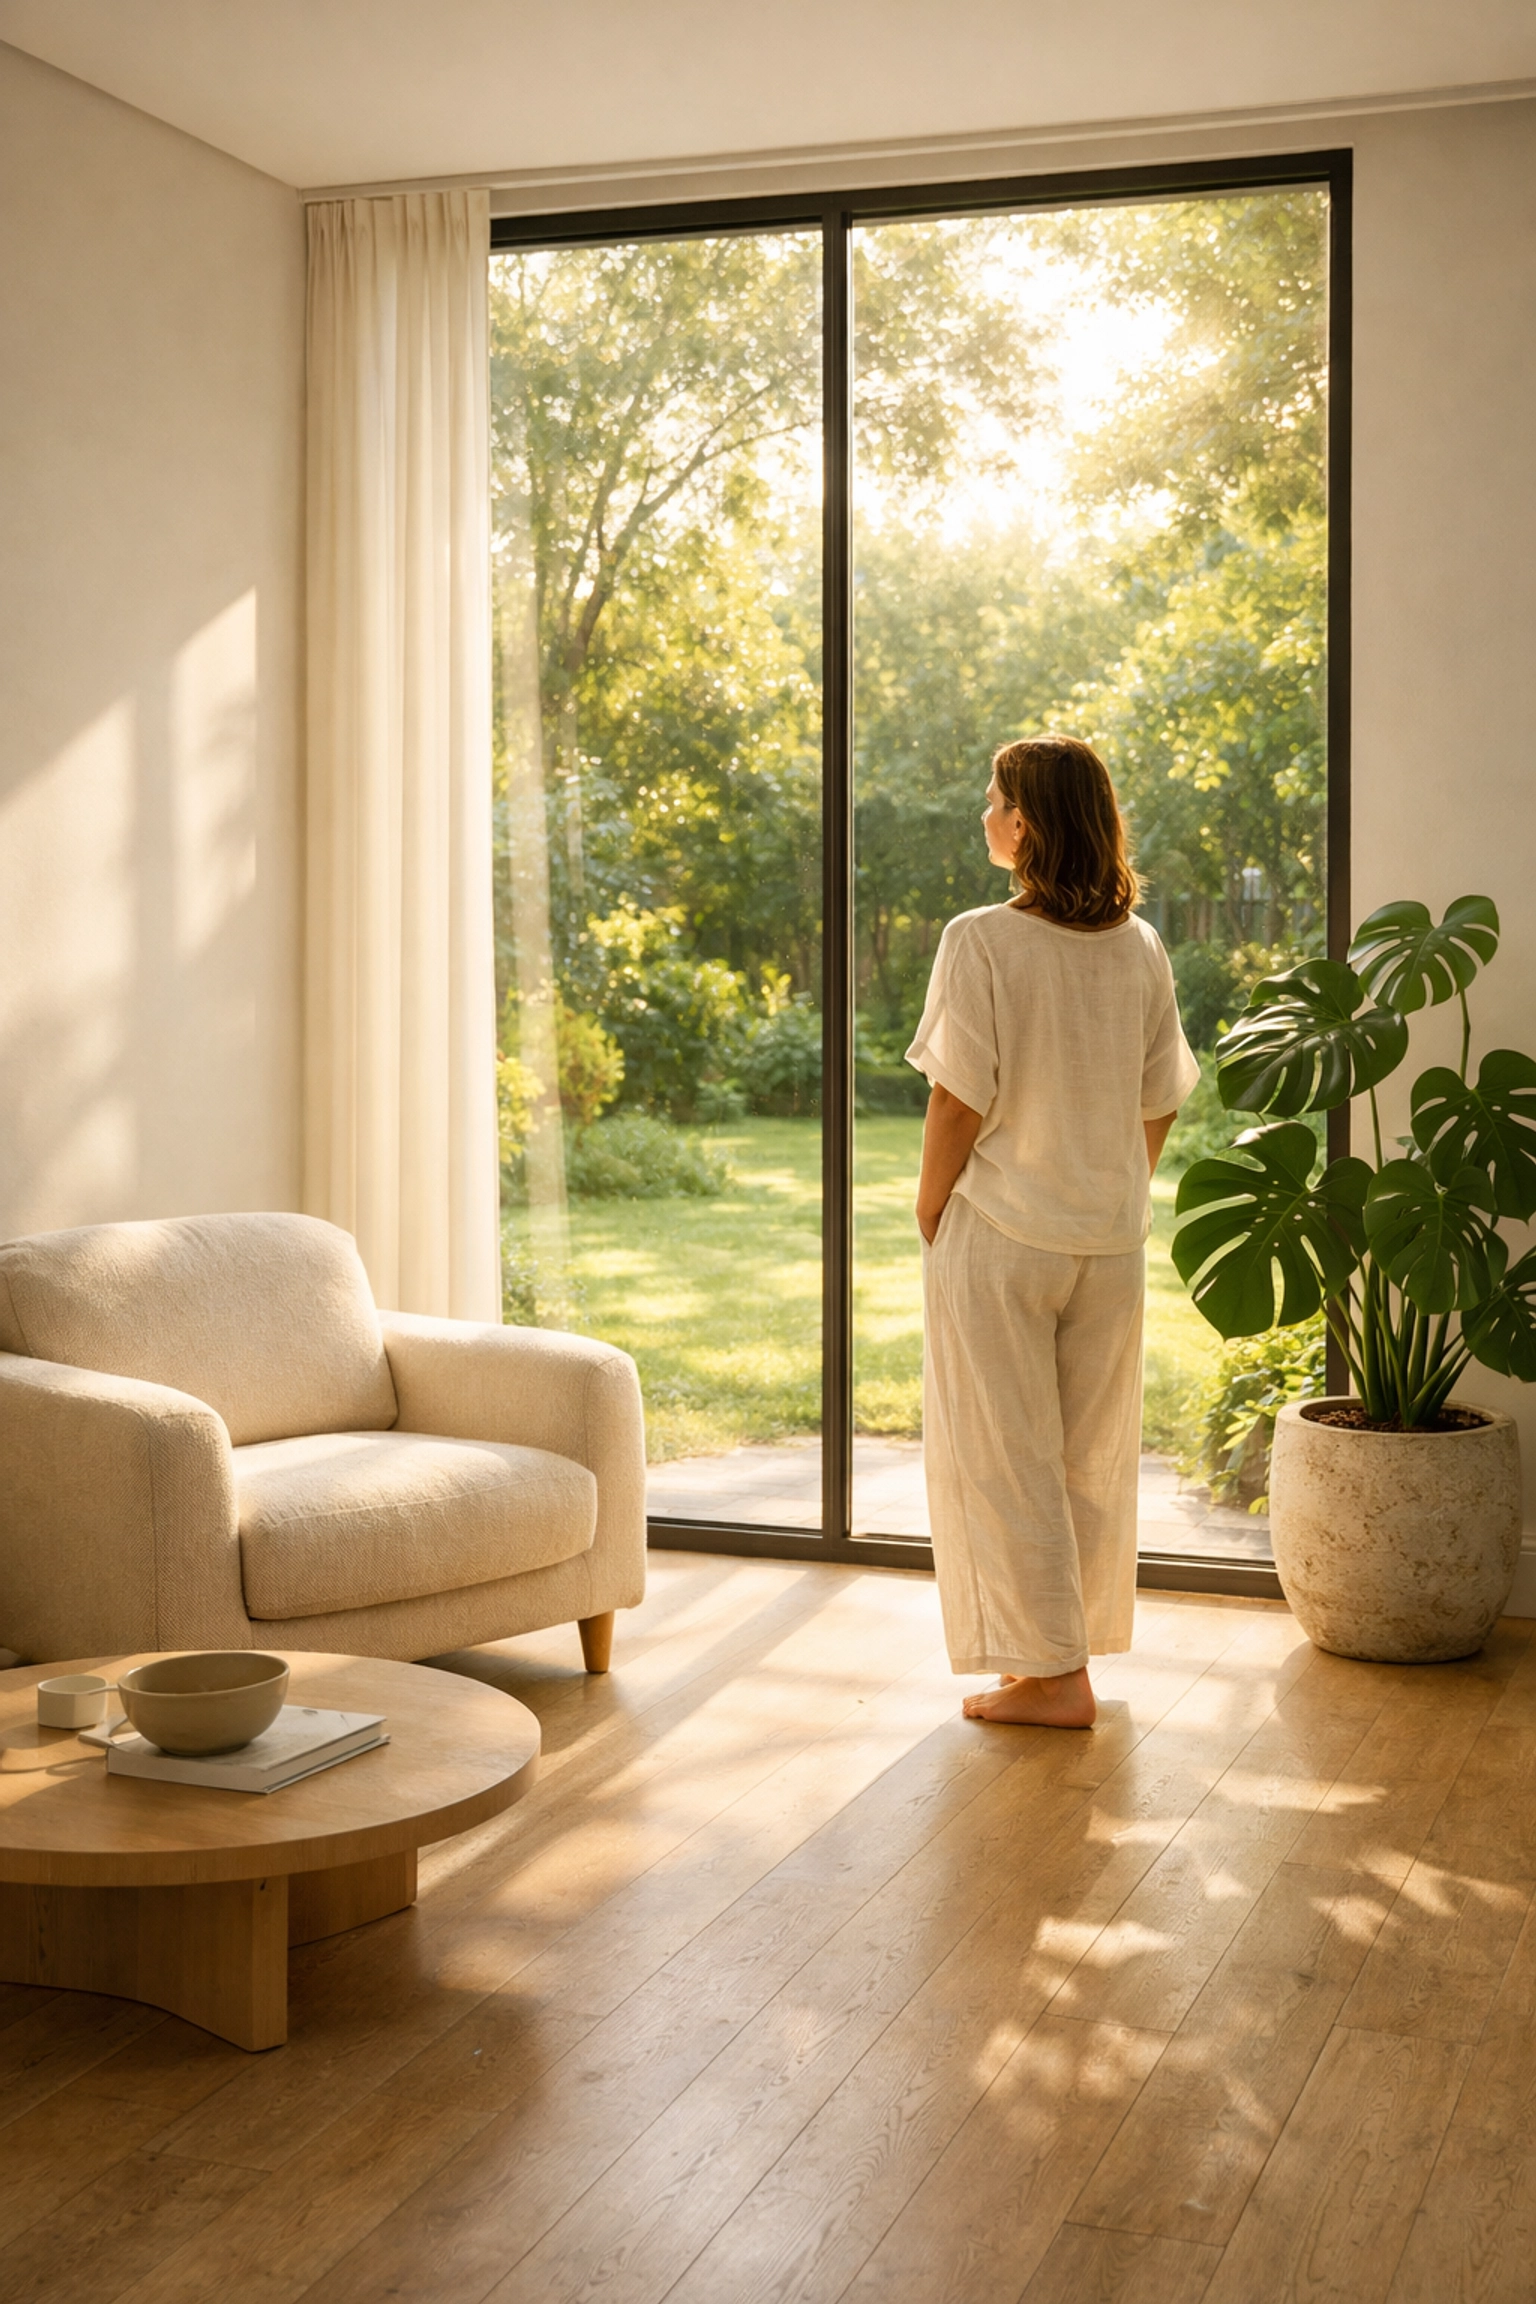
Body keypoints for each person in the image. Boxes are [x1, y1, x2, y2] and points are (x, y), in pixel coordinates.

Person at [906, 735, 1199, 1728]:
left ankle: (1053, 1679)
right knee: (1087, 1455)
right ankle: (1059, 1664)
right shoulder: (1140, 946)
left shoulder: (981, 939)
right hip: (1106, 1240)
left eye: (994, 800)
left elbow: (957, 1101)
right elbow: (1159, 1099)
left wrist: (930, 1205)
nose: (985, 815)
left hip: (1003, 1234)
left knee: (1004, 1454)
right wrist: (1110, 1180)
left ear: (1025, 821)